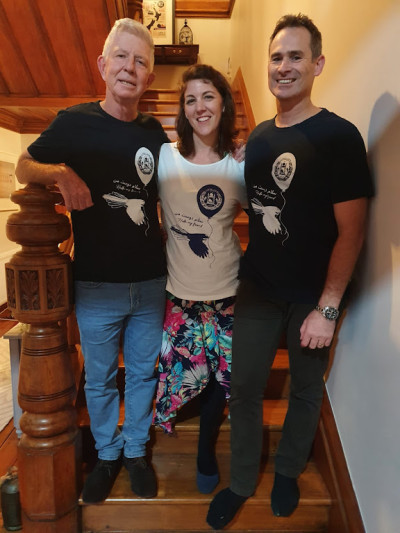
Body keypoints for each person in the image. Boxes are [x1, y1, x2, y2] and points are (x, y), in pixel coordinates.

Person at [207, 13, 373, 529]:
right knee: (244, 387)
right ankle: (239, 481)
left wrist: (326, 308)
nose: (284, 66)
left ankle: (286, 471)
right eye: (276, 57)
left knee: (304, 389)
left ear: (317, 64)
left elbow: (353, 232)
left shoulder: (338, 136)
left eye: (296, 56)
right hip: (258, 286)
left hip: (312, 295)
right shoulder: (256, 137)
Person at [15, 18, 170, 504]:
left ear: (148, 78)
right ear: (103, 65)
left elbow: (174, 191)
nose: (130, 67)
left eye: (141, 61)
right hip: (96, 286)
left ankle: (136, 452)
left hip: (150, 283)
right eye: (122, 57)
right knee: (100, 377)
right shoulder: (73, 122)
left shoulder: (154, 133)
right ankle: (107, 454)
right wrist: (60, 173)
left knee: (143, 373)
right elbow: (24, 164)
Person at [153, 64, 247, 494]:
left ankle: (206, 450)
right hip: (182, 296)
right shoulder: (164, 157)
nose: (199, 106)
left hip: (228, 293)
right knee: (190, 374)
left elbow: (263, 220)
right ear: (183, 110)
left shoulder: (239, 165)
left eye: (208, 96)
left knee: (221, 380)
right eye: (190, 99)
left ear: (224, 103)